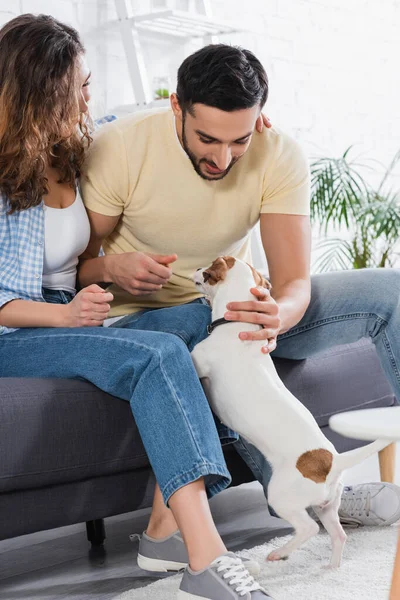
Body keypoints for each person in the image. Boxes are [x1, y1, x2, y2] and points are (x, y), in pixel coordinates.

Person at [78, 42, 400, 575]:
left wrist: (281, 313)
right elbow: (75, 271)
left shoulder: (278, 153)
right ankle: (322, 497)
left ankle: (321, 492)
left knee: (391, 291)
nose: (222, 159)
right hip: (153, 318)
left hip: (245, 317)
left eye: (240, 141)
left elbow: (295, 280)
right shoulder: (122, 148)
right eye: (207, 138)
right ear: (176, 108)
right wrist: (113, 268)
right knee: (205, 337)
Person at [0, 15, 273, 600]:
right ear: (40, 93)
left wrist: (242, 129)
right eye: (78, 86)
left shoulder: (72, 149)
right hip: (18, 330)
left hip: (72, 314)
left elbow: (138, 119)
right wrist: (62, 315)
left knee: (213, 321)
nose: (88, 95)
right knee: (156, 355)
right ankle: (205, 557)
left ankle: (175, 524)